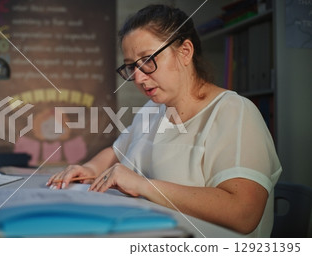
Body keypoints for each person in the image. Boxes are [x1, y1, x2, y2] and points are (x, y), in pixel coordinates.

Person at [46, 4, 281, 237]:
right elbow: (117, 153)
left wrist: (143, 185)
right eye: (130, 67)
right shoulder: (154, 109)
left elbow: (244, 213)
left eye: (148, 60)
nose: (137, 77)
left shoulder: (235, 112)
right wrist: (88, 169)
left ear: (185, 52)